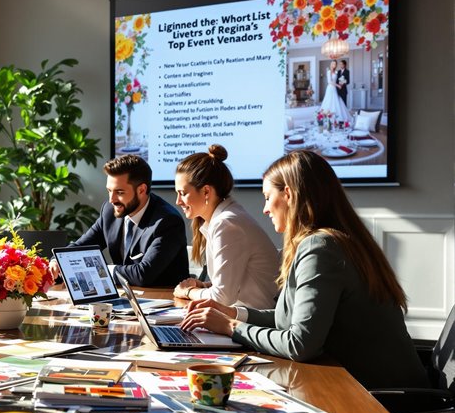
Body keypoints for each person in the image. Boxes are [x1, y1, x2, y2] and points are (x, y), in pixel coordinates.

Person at [181, 151, 428, 389]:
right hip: (360, 384)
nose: (265, 208)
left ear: (288, 194)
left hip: (383, 398)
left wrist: (230, 327)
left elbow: (300, 343)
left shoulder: (321, 247)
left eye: (268, 197)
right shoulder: (332, 240)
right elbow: (286, 319)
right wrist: (231, 313)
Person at [55, 154, 188, 287]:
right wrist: (57, 261)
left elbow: (143, 274)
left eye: (119, 192)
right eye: (109, 191)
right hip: (126, 298)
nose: (112, 199)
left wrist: (103, 271)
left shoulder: (167, 221)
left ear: (142, 190)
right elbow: (80, 247)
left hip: (165, 301)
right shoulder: (109, 211)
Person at [172, 145, 278, 309]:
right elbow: (233, 286)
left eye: (183, 193)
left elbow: (221, 297)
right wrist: (205, 286)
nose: (178, 201)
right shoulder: (226, 218)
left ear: (206, 191)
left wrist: (188, 292)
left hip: (253, 323)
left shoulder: (226, 224)